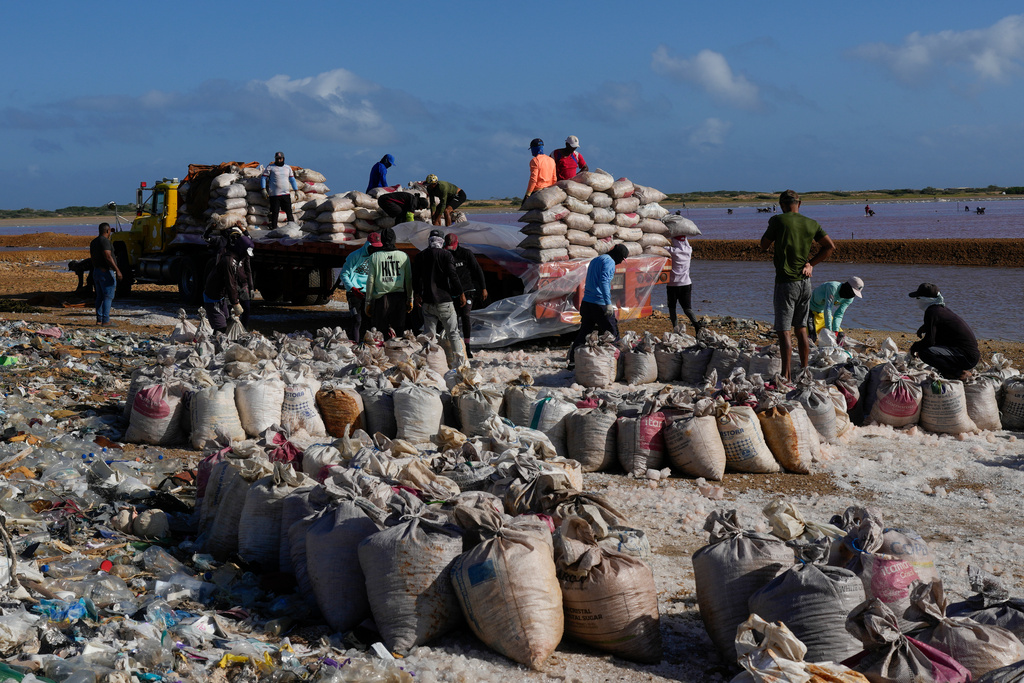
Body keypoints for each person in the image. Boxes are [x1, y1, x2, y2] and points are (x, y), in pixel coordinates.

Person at [759, 189, 836, 379]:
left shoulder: (778, 220)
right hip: (805, 283)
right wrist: (811, 263)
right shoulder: (812, 223)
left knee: (784, 331)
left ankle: (786, 376)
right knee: (801, 328)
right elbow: (830, 247)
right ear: (799, 204)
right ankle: (804, 371)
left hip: (786, 283)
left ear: (781, 205)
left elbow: (763, 245)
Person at [567, 244, 629, 368]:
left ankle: (573, 361)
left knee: (585, 332)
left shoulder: (596, 259)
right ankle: (617, 362)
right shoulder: (610, 262)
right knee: (612, 332)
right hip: (599, 304)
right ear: (618, 256)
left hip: (587, 302)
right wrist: (608, 303)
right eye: (622, 259)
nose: (621, 262)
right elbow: (604, 281)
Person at [413, 231, 466, 367]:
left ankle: (431, 364)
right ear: (441, 241)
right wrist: (461, 293)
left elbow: (416, 278)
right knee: (453, 333)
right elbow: (453, 276)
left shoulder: (421, 256)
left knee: (429, 336)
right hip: (444, 301)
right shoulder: (446, 255)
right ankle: (459, 364)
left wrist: (417, 294)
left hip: (427, 302)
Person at [908, 283, 979, 380]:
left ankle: (959, 373)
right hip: (969, 355)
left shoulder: (931, 312)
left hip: (967, 357)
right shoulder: (940, 309)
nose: (917, 301)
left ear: (925, 299)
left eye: (918, 298)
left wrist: (914, 347)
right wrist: (925, 327)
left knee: (925, 352)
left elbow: (929, 341)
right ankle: (951, 371)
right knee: (932, 346)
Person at [444, 233, 487, 358]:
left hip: (468, 290)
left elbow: (477, 270)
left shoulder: (466, 253)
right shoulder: (445, 254)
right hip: (453, 292)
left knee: (465, 315)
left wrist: (483, 287)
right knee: (454, 318)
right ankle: (456, 346)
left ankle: (467, 347)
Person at [203, 227, 255, 332]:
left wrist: (250, 287)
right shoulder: (229, 261)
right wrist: (235, 303)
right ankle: (215, 347)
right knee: (221, 328)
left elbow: (235, 282)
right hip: (214, 296)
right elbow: (230, 283)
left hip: (221, 296)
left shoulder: (236, 257)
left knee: (226, 325)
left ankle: (220, 345)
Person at [364, 230, 412, 338]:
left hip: (382, 300)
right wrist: (410, 299)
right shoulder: (404, 256)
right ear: (394, 240)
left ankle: (384, 354)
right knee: (399, 333)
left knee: (381, 333)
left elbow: (370, 280)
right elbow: (408, 279)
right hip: (399, 298)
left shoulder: (374, 257)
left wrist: (368, 301)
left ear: (382, 240)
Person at [339, 235, 375, 341]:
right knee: (357, 320)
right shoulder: (354, 256)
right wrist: (352, 288)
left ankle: (366, 346)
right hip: (355, 292)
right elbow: (344, 274)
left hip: (369, 293)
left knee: (368, 321)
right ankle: (356, 345)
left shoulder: (377, 257)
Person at [666, 233, 702, 334]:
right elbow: (686, 243)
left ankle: (675, 328)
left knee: (672, 308)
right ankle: (697, 325)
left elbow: (660, 247)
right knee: (687, 309)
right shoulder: (689, 250)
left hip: (672, 285)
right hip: (686, 284)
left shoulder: (673, 251)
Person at [89, 223, 122, 327]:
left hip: (97, 271)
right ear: (108, 231)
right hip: (105, 272)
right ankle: (106, 321)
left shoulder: (94, 242)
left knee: (99, 296)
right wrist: (117, 270)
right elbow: (108, 256)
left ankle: (99, 320)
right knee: (108, 296)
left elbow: (93, 257)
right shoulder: (105, 241)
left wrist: (98, 267)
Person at [261, 152, 299, 230]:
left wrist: (296, 190)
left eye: (280, 158)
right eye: (277, 159)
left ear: (283, 159)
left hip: (286, 194)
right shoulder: (270, 167)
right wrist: (263, 189)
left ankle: (292, 228)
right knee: (275, 212)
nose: (279, 160)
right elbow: (263, 178)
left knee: (289, 212)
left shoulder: (287, 168)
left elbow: (292, 179)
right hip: (274, 195)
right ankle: (274, 228)